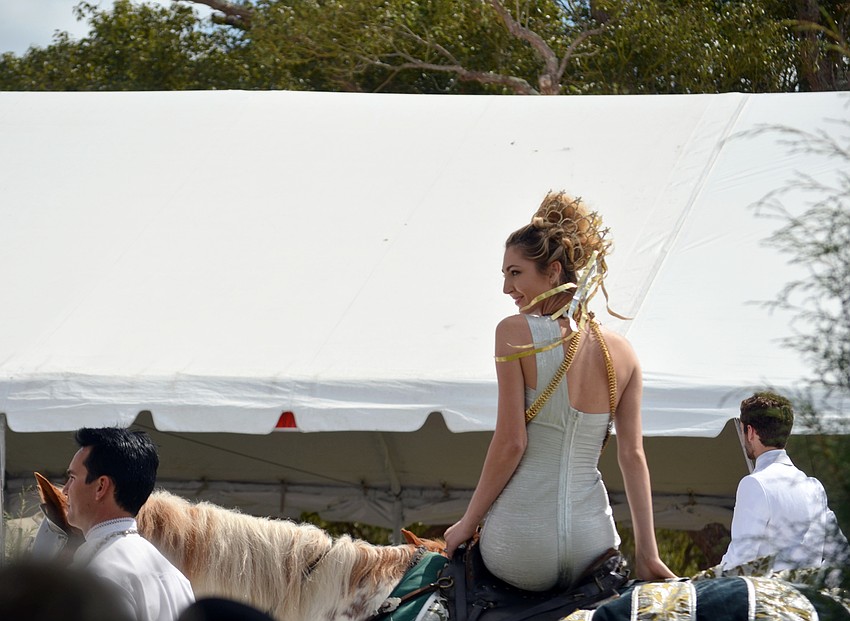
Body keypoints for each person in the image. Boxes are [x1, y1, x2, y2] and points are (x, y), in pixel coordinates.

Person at [444, 191, 675, 591]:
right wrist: (649, 554)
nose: (505, 288)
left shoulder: (513, 333)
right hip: (594, 544)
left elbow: (511, 443)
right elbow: (632, 456)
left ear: (552, 272)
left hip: (522, 543)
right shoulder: (623, 352)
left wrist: (466, 524)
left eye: (515, 273)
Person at [63, 427, 195, 621]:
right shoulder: (176, 577)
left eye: (72, 478)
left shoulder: (98, 576)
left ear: (101, 487)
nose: (65, 490)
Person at [720, 391, 850, 572]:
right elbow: (840, 553)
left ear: (750, 432)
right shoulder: (813, 486)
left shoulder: (755, 484)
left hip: (768, 597)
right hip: (805, 597)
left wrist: (703, 585)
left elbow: (739, 558)